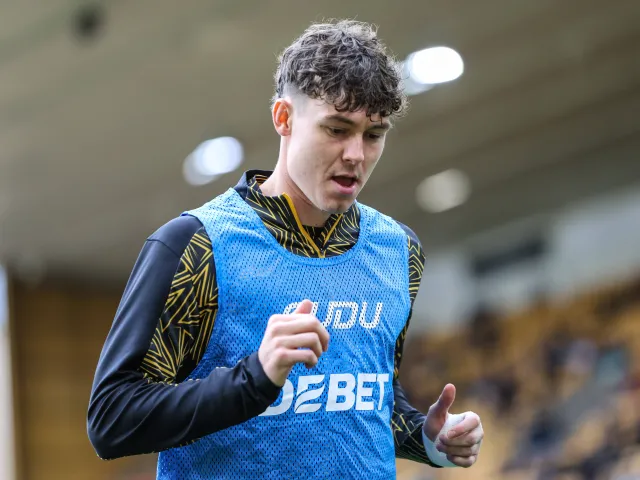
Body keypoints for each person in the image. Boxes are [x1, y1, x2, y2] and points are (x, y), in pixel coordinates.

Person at [87, 19, 484, 479]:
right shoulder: (197, 246)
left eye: (373, 135)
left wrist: (428, 439)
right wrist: (254, 377)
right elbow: (113, 418)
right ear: (284, 119)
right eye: (337, 129)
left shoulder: (398, 252)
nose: (356, 154)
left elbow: (362, 401)